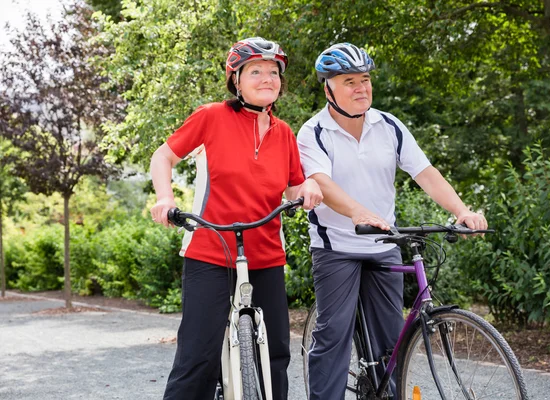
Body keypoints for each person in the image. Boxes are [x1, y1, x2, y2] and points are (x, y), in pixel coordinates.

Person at [296, 42, 488, 400]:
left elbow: (425, 173)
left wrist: (461, 211)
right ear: (329, 88)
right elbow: (321, 182)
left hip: (383, 243)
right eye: (349, 81)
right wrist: (356, 211)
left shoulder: (389, 125)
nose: (361, 88)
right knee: (334, 334)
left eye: (365, 79)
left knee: (390, 339)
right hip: (336, 246)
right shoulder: (313, 132)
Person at [150, 37, 322, 400]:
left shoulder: (285, 132)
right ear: (236, 80)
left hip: (266, 253)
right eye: (256, 71)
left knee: (275, 356)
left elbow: (293, 188)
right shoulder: (211, 117)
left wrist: (306, 188)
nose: (267, 78)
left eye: (273, 72)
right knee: (197, 357)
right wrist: (165, 198)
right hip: (210, 250)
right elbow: (162, 157)